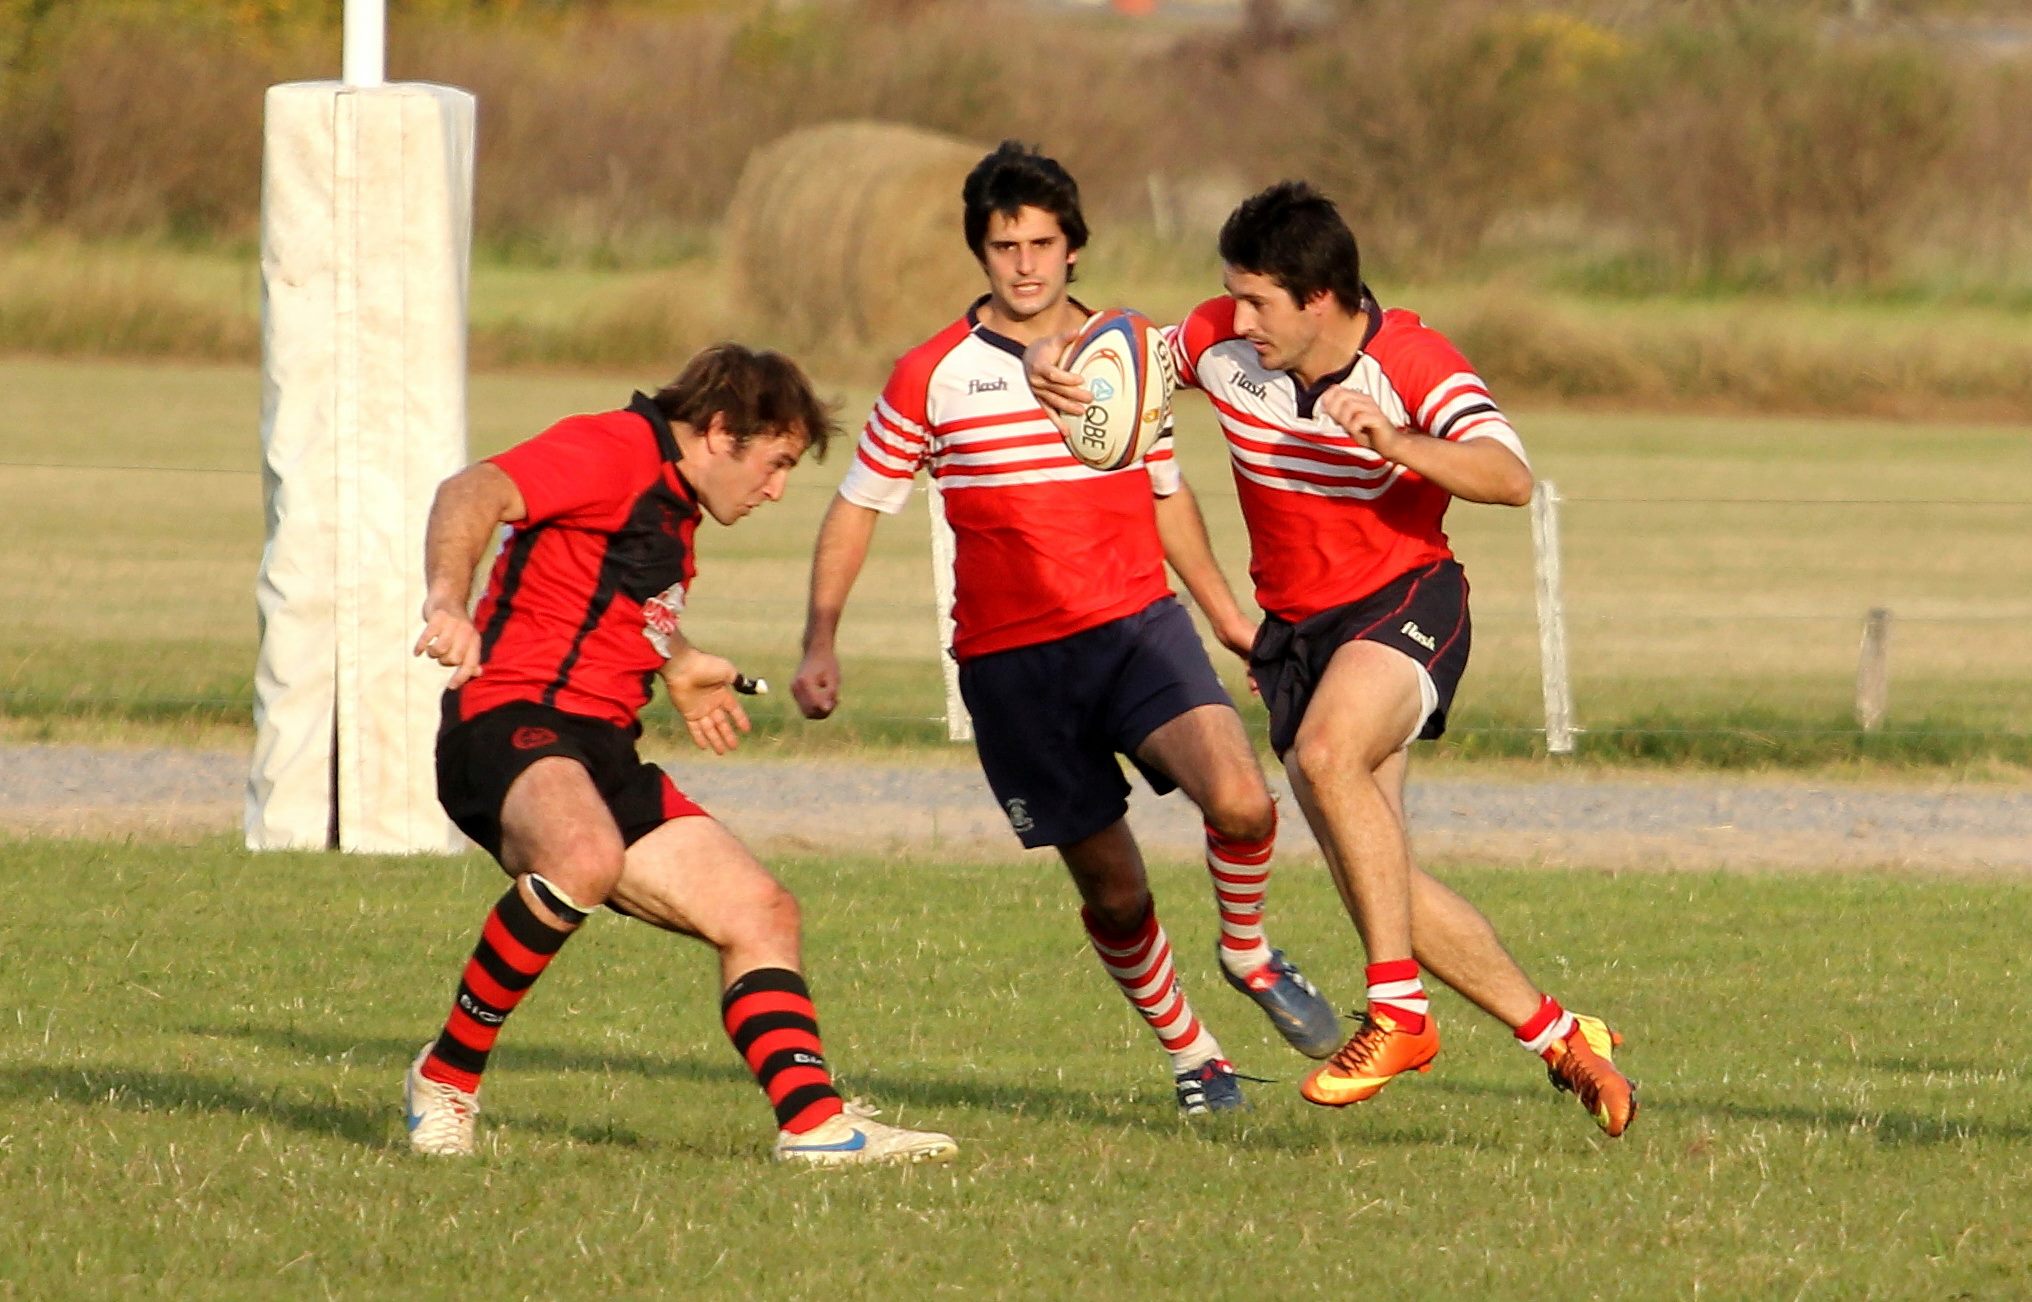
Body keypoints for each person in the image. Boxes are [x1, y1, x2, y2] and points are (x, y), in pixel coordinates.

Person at [1028, 181, 1638, 1137]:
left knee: (1323, 761)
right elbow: (1126, 350)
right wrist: (1053, 365)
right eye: (1232, 295)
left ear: (1320, 298)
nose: (1238, 318)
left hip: (1405, 602)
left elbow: (1510, 477)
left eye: (1259, 299)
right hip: (1298, 637)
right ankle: (1563, 1037)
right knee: (1379, 878)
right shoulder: (1225, 343)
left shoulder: (1412, 361)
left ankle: (1399, 1014)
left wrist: (1398, 441)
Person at [790, 142, 1340, 1116]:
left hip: (1135, 628)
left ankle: (1247, 952)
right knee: (1117, 892)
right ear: (981, 253)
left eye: (1043, 242)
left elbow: (1167, 496)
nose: (1026, 263)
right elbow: (855, 507)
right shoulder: (931, 376)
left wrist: (1230, 623)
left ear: (1074, 247)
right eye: (1005, 245)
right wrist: (820, 641)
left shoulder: (1128, 356)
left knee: (1244, 802)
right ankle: (1193, 1057)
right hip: (1011, 668)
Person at [406, 343, 958, 1166]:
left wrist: (680, 664)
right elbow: (472, 489)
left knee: (761, 913)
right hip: (508, 719)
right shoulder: (613, 449)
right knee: (583, 856)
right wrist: (449, 599)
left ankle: (814, 1125)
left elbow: (611, 601)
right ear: (720, 430)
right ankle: (446, 1077)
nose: (777, 489)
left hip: (599, 751)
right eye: (772, 464)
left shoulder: (674, 507)